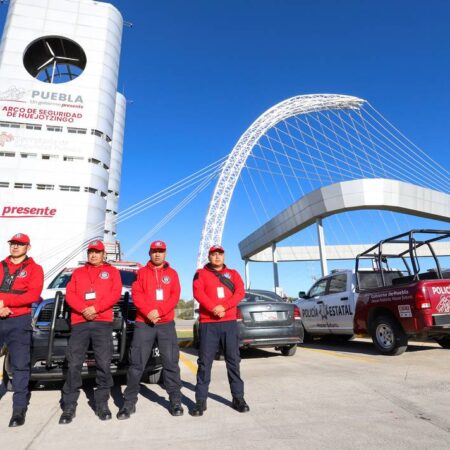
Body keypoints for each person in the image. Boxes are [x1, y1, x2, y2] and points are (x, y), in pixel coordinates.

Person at [117, 240, 183, 419]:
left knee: (170, 363)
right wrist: (148, 312)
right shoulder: (141, 273)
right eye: (154, 251)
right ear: (149, 253)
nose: (157, 254)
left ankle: (175, 400)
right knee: (137, 364)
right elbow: (137, 295)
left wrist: (159, 312)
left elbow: (174, 295)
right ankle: (129, 403)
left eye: (161, 251)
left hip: (166, 324)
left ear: (165, 253)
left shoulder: (173, 274)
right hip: (144, 324)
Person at [59, 240, 122, 424]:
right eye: (90, 252)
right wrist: (83, 309)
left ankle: (102, 403)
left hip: (102, 322)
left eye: (97, 252)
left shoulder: (112, 272)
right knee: (74, 364)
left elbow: (115, 293)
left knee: (103, 363)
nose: (93, 255)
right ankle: (69, 405)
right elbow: (70, 295)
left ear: (104, 254)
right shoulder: (78, 273)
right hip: (80, 322)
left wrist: (96, 308)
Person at [190, 245, 249, 416]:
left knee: (233, 361)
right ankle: (200, 401)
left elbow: (239, 292)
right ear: (209, 256)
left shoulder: (234, 273)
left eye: (220, 254)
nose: (217, 257)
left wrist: (223, 306)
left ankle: (238, 398)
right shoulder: (200, 273)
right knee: (204, 363)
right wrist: (213, 308)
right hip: (209, 323)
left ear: (224, 256)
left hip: (229, 322)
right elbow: (198, 293)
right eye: (213, 254)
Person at [0, 233, 44, 427]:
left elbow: (33, 295)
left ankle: (18, 410)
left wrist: (5, 302)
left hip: (19, 321)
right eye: (13, 244)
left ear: (28, 247)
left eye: (20, 244)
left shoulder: (35, 269)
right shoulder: (0, 266)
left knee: (20, 366)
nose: (15, 247)